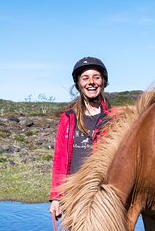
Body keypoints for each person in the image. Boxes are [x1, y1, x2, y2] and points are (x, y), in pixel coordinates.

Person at [49, 56, 114, 218]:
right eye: (85, 78)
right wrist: (56, 198)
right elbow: (60, 159)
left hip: (104, 195)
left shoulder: (115, 118)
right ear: (78, 84)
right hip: (74, 194)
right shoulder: (68, 118)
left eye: (96, 77)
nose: (91, 82)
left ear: (103, 82)